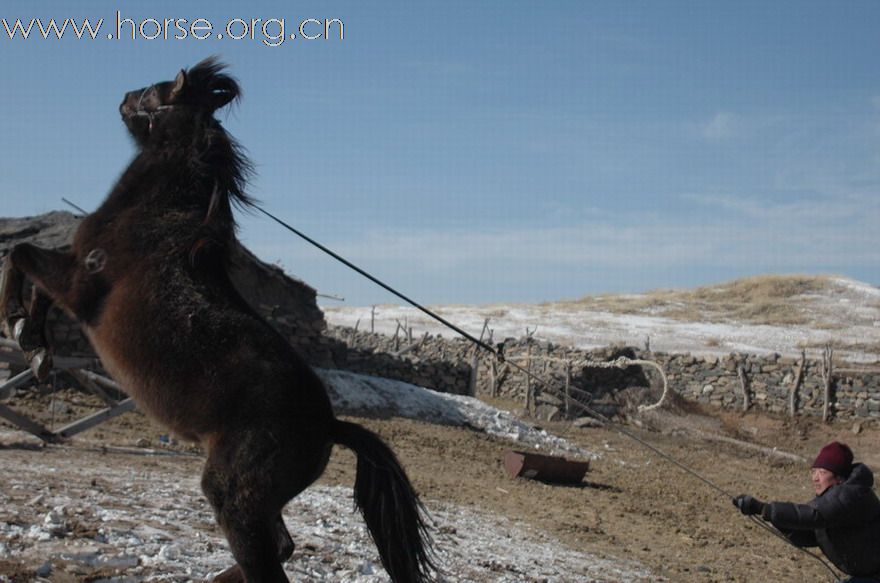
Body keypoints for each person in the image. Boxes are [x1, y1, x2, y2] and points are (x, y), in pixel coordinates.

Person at [734, 441, 880, 582]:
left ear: (839, 477)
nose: (815, 478)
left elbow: (814, 515)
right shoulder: (832, 502)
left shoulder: (851, 495)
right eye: (813, 471)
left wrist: (763, 508)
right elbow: (810, 535)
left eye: (822, 472)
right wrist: (777, 520)